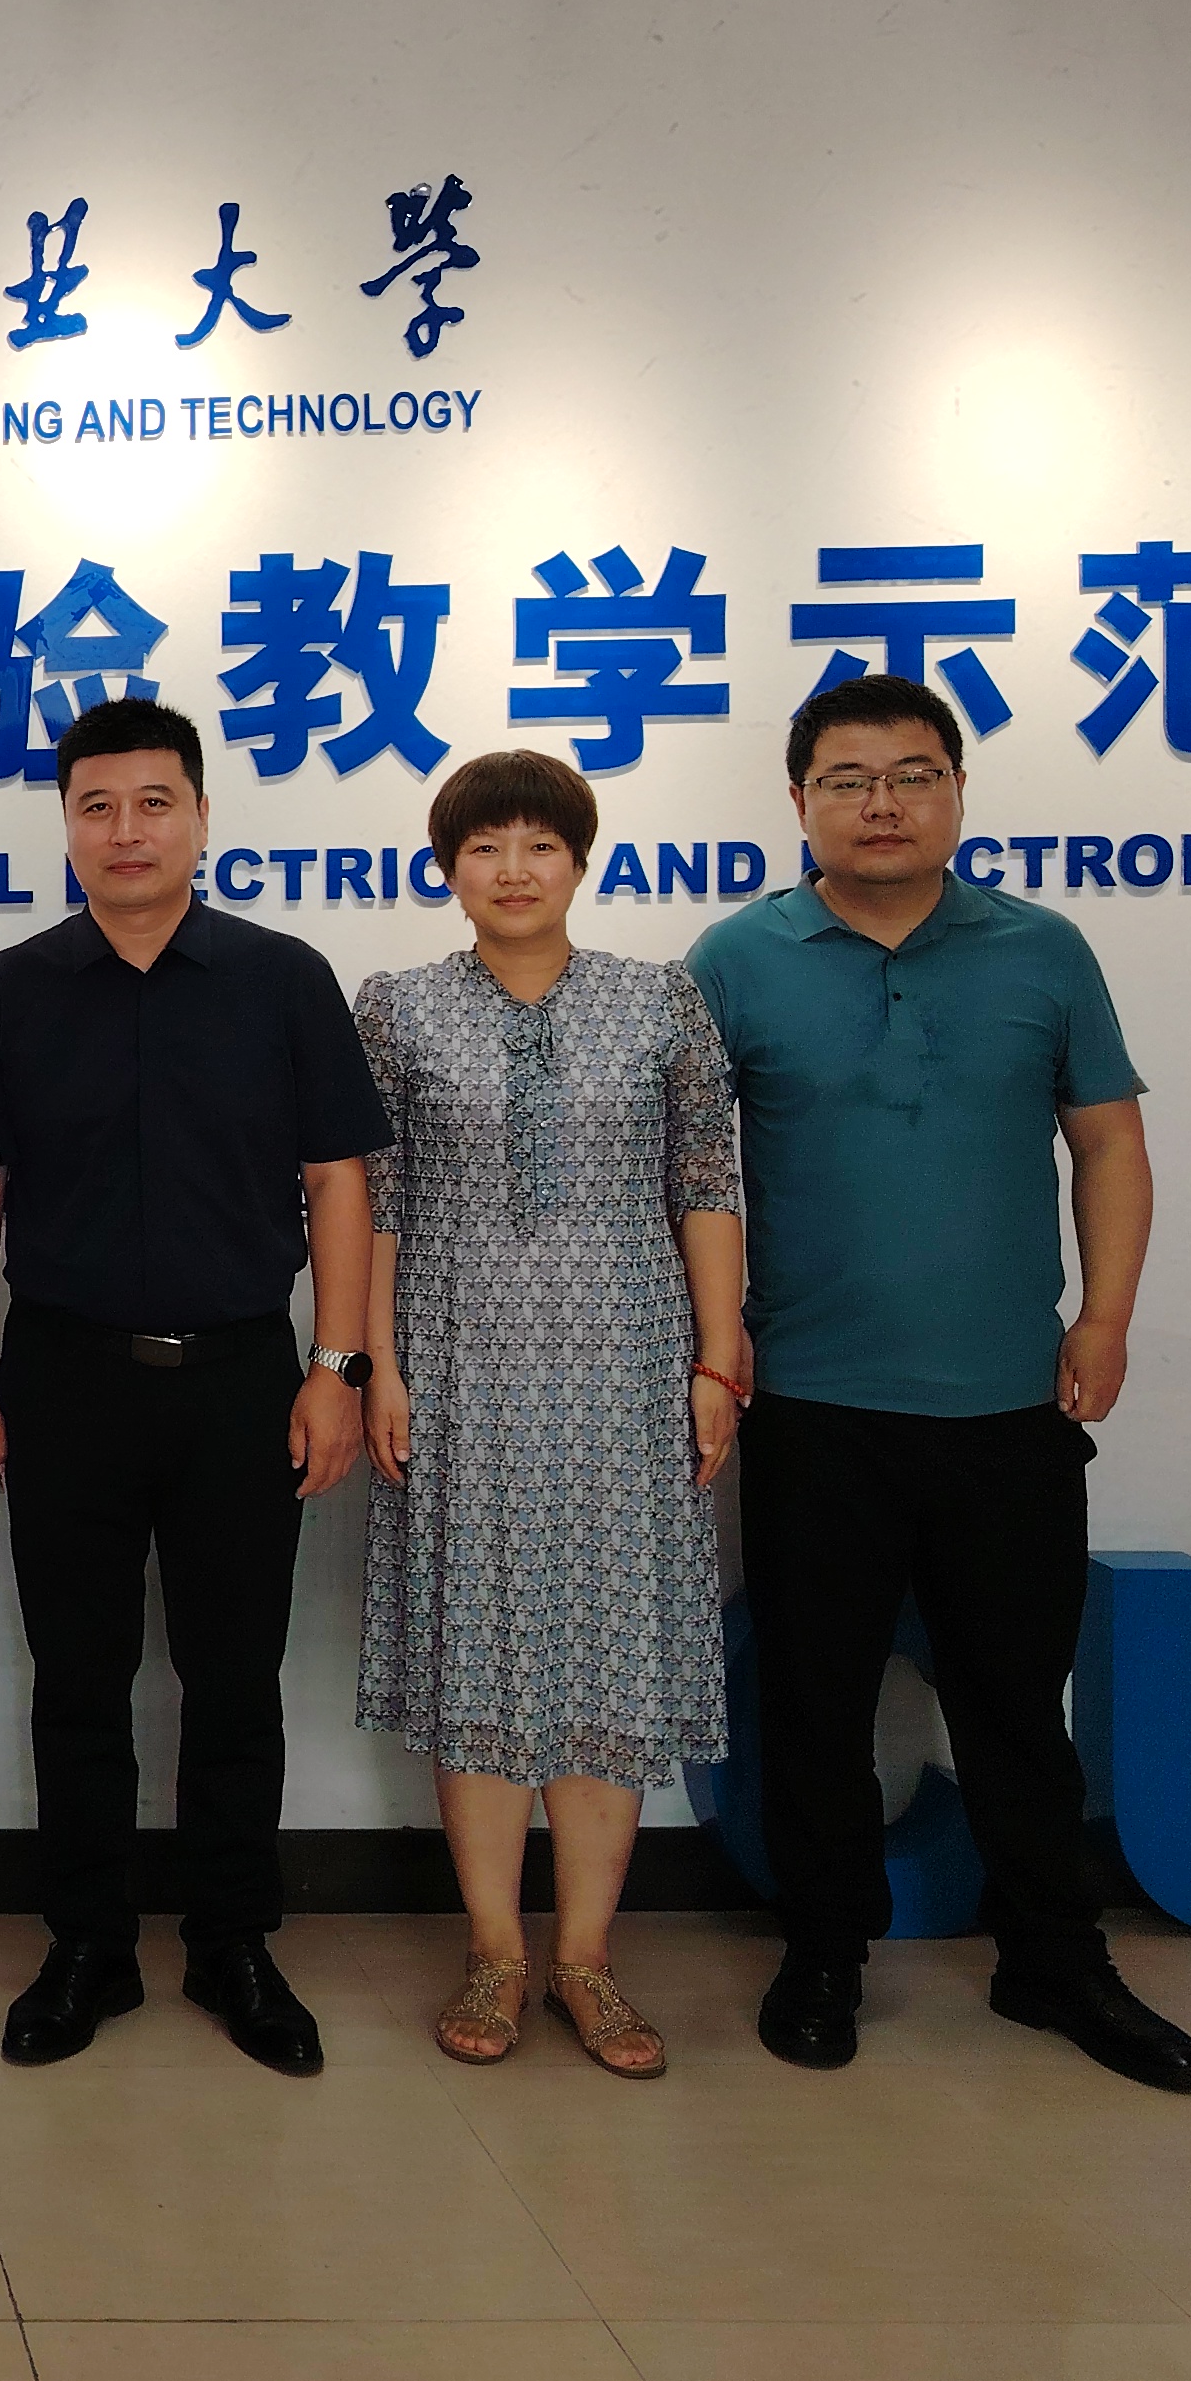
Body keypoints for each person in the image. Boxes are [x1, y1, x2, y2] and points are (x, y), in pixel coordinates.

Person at [690, 673, 1191, 2093]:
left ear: (959, 792)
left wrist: (1106, 1317)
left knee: (1015, 1707)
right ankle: (823, 1954)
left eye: (913, 775)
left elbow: (1108, 1142)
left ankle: (1054, 1960)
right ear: (798, 802)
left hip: (1008, 1407)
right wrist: (714, 1342)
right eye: (848, 779)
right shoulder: (734, 960)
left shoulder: (1043, 950)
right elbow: (687, 1172)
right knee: (814, 1704)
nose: (883, 803)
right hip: (812, 1406)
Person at [0, 697, 388, 2079]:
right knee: (78, 1680)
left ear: (202, 817)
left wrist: (336, 1367)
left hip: (243, 1379)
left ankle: (231, 1942)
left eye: (154, 803)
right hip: (63, 1375)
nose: (126, 831)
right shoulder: (10, 992)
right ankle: (87, 1946)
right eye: (97, 806)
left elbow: (339, 1182)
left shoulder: (283, 980)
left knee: (234, 1679)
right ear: (66, 826)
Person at [351, 751, 744, 2079]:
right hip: (457, 1365)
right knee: (480, 1650)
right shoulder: (398, 1009)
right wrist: (377, 1367)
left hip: (629, 1365)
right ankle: (493, 1952)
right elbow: (374, 1201)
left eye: (539, 845)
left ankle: (586, 1958)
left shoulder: (660, 1000)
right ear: (446, 868)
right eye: (483, 848)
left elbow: (706, 1180)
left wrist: (717, 1358)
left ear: (582, 861)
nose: (512, 870)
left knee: (610, 1651)